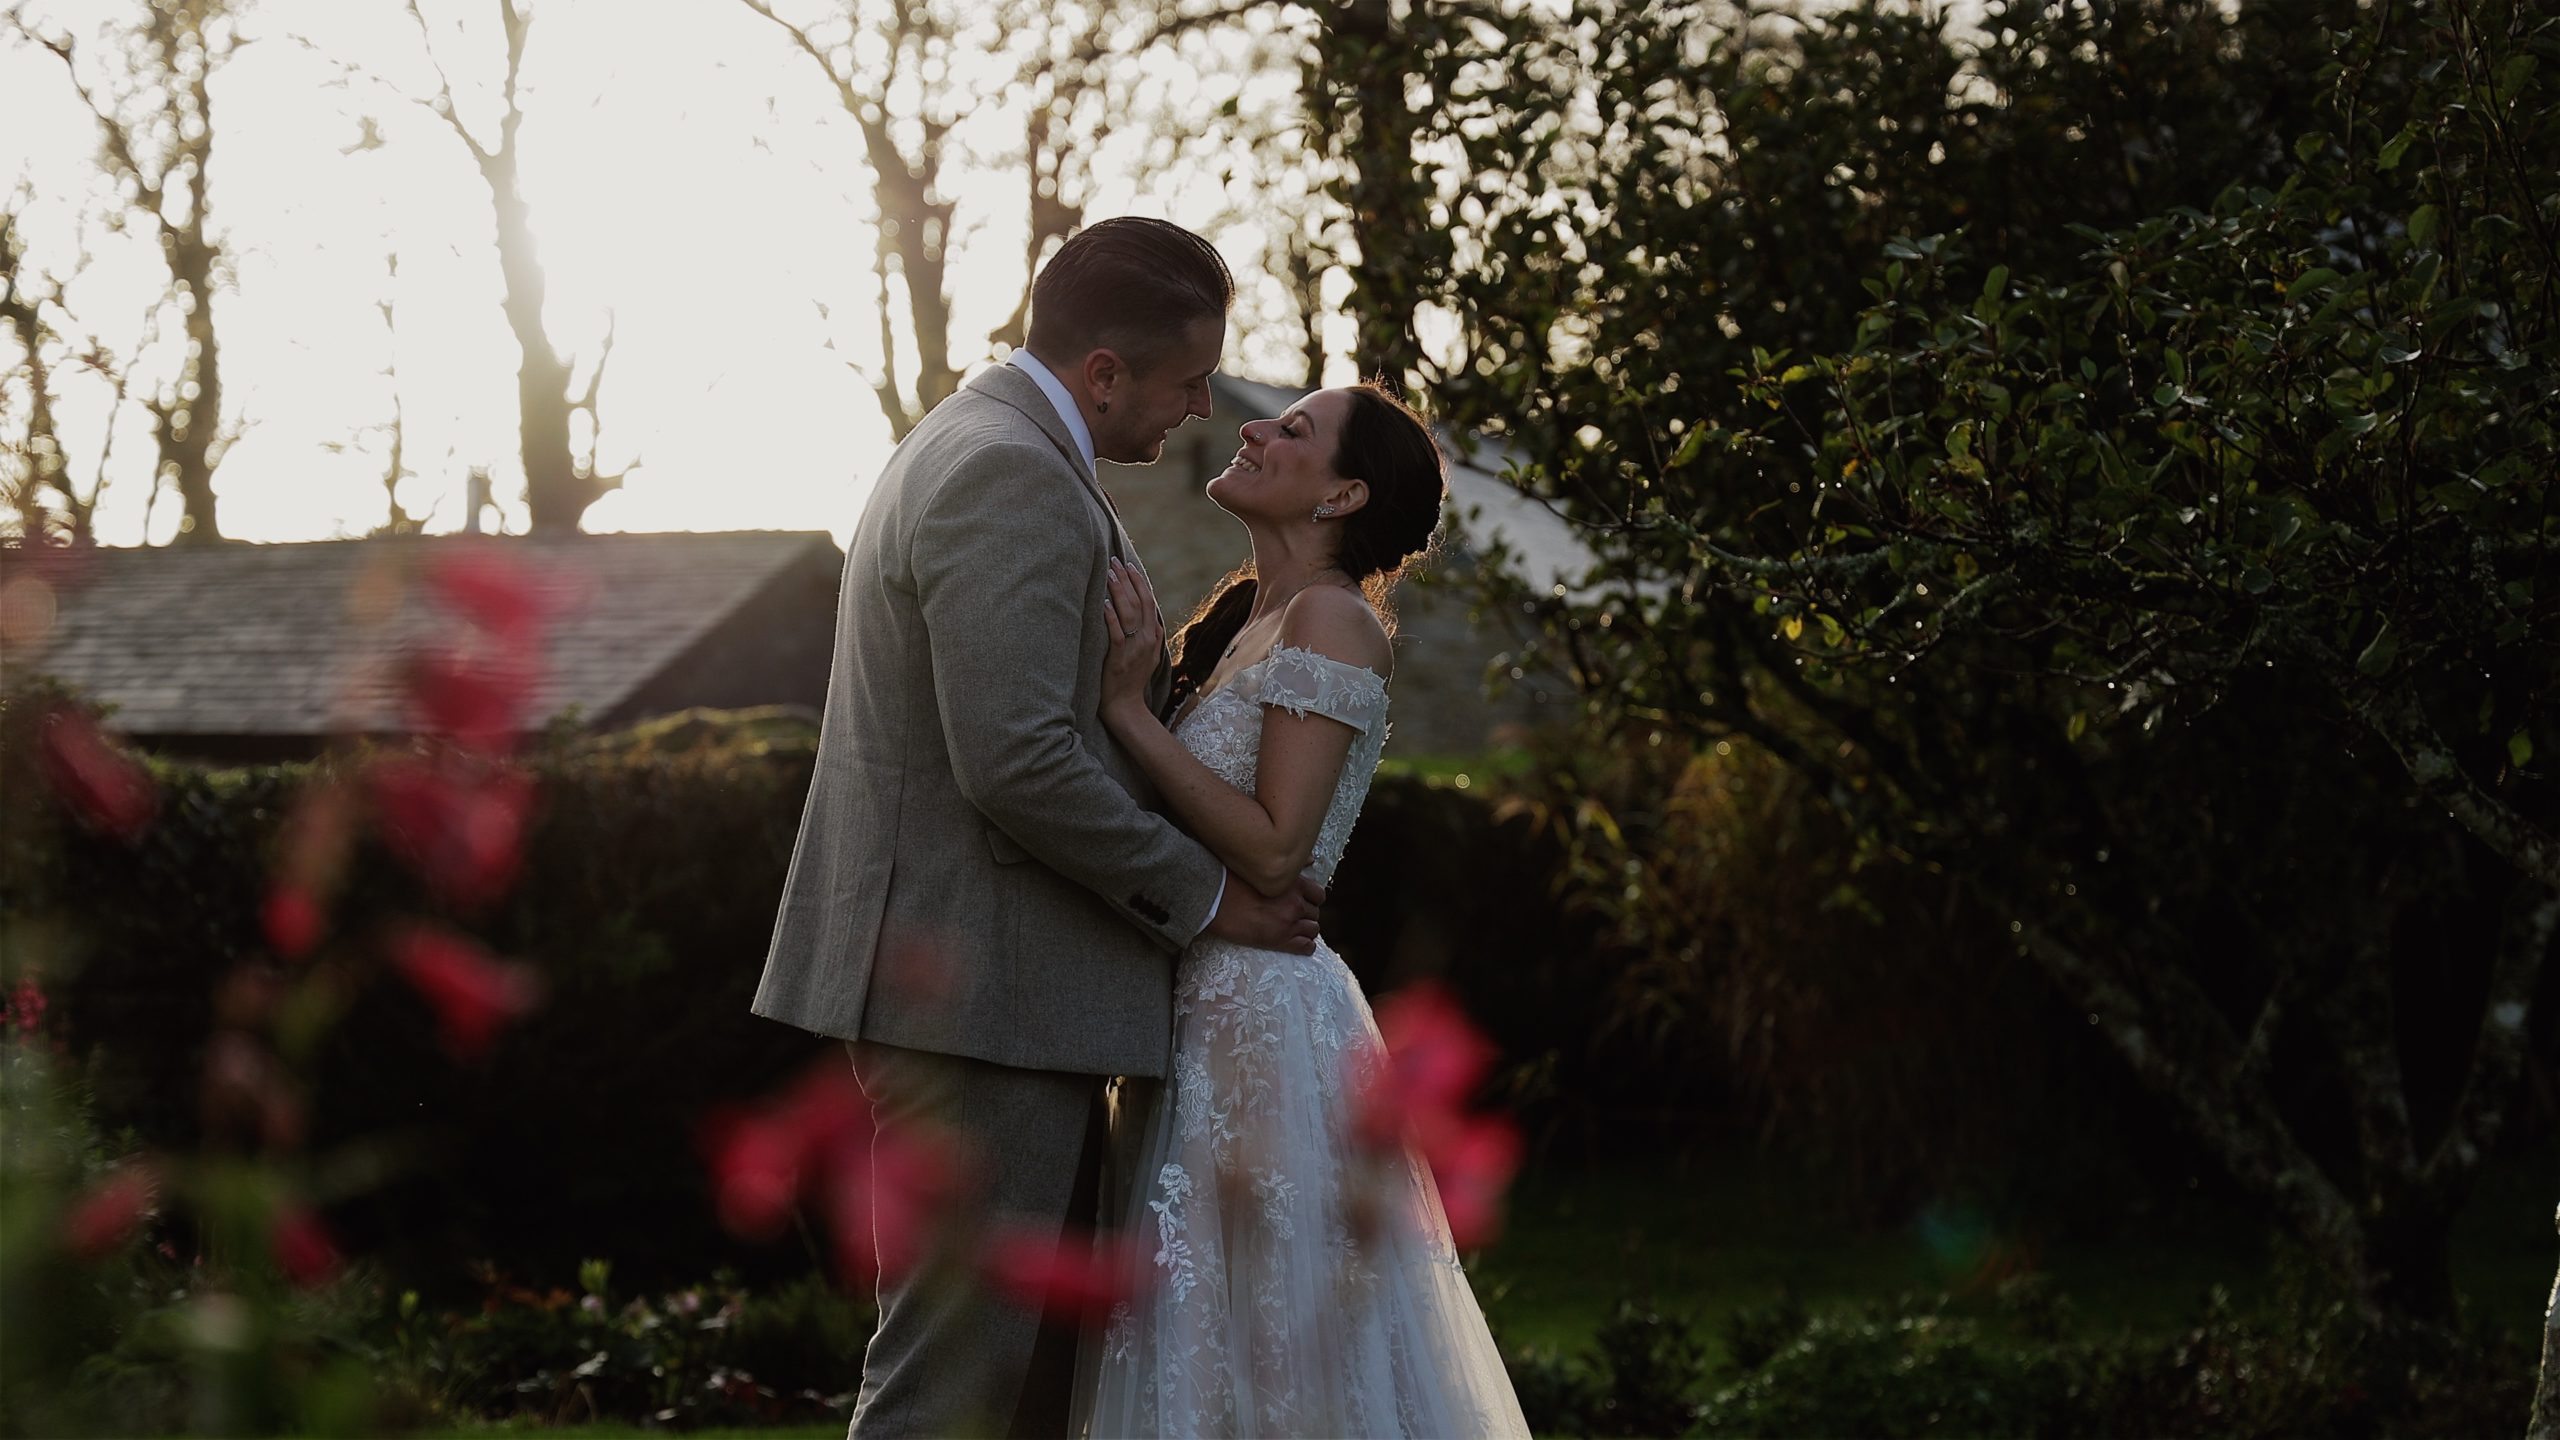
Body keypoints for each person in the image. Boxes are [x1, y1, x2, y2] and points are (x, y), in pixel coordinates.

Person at [752, 216, 1328, 1439]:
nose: (1193, 412)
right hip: (979, 1004)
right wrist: (1214, 898)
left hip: (1000, 1000)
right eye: (1183, 384)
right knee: (950, 1387)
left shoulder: (984, 444)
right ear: (1103, 370)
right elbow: (1013, 760)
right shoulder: (1005, 470)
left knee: (1019, 1397)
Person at [1077, 382, 1532, 1437]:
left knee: (1274, 1332)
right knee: (1201, 1324)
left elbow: (1278, 847)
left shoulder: (1332, 621)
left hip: (1264, 1019)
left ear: (1344, 495)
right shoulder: (1245, 617)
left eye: (1294, 430)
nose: (1252, 428)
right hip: (1199, 1003)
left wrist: (1123, 713)